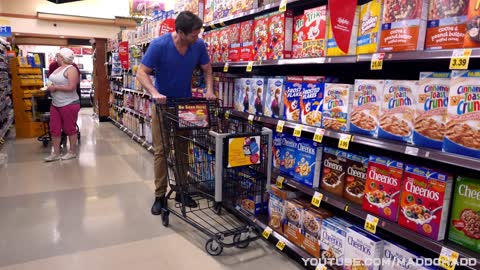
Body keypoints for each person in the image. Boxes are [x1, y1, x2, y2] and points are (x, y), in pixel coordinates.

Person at [136, 11, 215, 215]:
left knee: (183, 148)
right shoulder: (159, 45)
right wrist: (154, 92)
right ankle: (159, 195)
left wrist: (209, 90)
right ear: (180, 32)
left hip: (185, 106)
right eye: (193, 35)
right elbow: (141, 72)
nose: (197, 38)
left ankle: (182, 189)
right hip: (162, 105)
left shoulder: (198, 45)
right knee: (161, 151)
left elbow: (207, 69)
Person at [44, 48, 81, 162]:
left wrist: (55, 88)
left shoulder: (72, 69)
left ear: (63, 57)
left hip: (69, 103)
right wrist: (49, 87)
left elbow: (71, 87)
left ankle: (72, 152)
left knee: (69, 128)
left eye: (59, 55)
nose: (57, 57)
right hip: (55, 103)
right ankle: (55, 153)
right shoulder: (58, 68)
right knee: (54, 128)